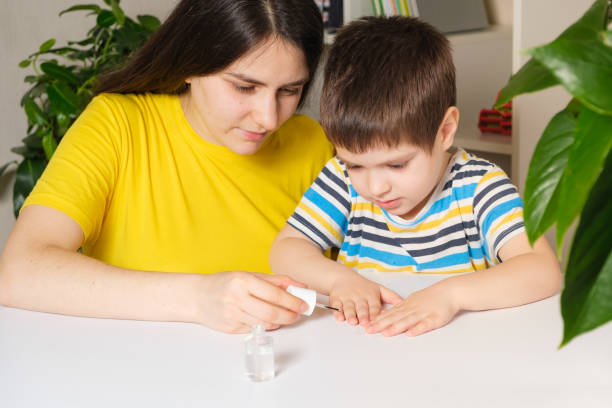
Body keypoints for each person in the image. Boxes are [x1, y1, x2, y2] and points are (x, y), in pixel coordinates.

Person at [0, 0, 334, 333]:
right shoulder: (117, 125)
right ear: (190, 64)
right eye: (244, 87)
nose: (269, 117)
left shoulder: (314, 144)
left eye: (290, 90)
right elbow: (18, 271)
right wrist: (199, 298)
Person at [269, 16, 562, 337]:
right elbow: (286, 249)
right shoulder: (341, 178)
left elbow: (542, 270)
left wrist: (451, 295)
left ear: (445, 131)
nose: (375, 186)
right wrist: (339, 280)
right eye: (356, 165)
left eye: (397, 165)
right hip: (367, 352)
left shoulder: (479, 186)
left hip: (457, 351)